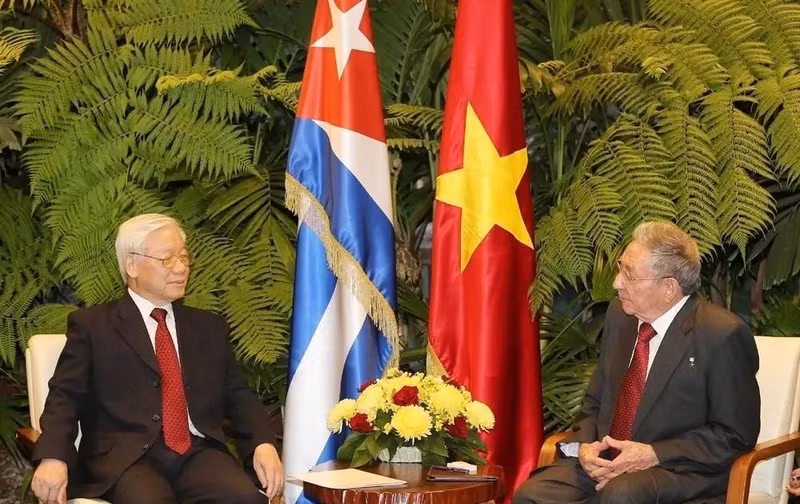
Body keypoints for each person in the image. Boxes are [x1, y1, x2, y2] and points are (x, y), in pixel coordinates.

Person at [30, 214, 283, 504]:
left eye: (184, 257)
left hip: (198, 453)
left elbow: (238, 395)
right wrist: (52, 456)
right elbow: (65, 396)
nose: (181, 268)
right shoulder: (93, 326)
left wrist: (262, 443)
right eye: (167, 259)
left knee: (245, 499)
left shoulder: (208, 327)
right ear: (132, 265)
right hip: (125, 460)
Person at [514, 221, 760, 504]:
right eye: (621, 267)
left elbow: (734, 435)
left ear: (668, 288)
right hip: (608, 465)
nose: (617, 282)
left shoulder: (721, 335)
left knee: (620, 495)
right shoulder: (621, 316)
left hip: (678, 470)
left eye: (629, 274)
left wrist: (653, 454)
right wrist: (585, 447)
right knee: (531, 496)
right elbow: (595, 402)